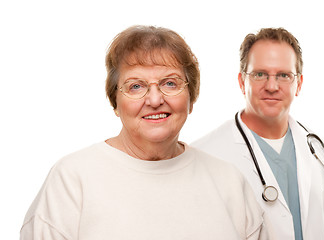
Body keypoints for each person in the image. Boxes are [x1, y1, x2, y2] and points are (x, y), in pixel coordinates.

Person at [20, 25, 270, 240]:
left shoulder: (229, 182)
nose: (154, 99)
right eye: (136, 86)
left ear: (191, 98)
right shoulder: (72, 180)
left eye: (170, 83)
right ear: (115, 102)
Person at [192, 27, 324, 240]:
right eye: (260, 74)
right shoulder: (205, 155)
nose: (271, 86)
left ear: (298, 84)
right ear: (242, 82)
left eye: (284, 75)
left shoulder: (319, 149)